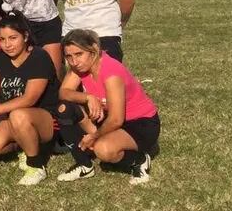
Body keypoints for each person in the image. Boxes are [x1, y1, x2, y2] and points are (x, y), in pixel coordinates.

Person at [56, 29, 160, 185]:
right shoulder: (80, 68)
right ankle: (84, 165)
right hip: (109, 120)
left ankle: (139, 160)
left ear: (94, 50)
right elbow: (64, 92)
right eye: (69, 56)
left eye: (79, 54)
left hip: (140, 123)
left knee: (103, 150)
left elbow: (117, 119)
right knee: (64, 108)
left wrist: (94, 136)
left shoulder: (111, 72)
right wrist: (87, 97)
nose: (74, 62)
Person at [0, 12, 59, 185]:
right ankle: (22, 146)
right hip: (13, 118)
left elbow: (29, 99)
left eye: (13, 38)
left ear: (25, 36)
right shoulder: (0, 58)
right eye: (3, 39)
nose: (7, 44)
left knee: (18, 114)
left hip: (45, 119)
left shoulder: (39, 57)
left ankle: (36, 166)